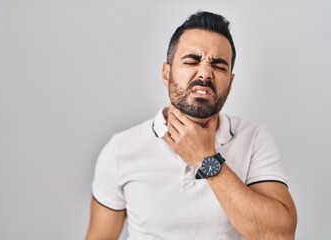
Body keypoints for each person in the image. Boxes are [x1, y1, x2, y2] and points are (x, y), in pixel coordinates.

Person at [85, 11, 297, 240]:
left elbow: (281, 235)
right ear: (166, 74)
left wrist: (206, 158)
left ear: (231, 82)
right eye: (192, 61)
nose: (205, 73)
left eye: (219, 65)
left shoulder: (254, 139)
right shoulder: (121, 149)